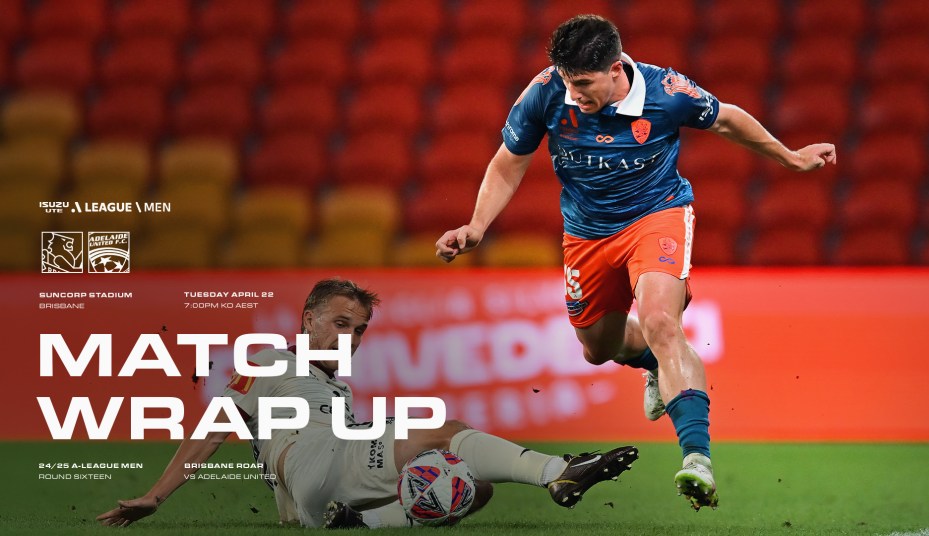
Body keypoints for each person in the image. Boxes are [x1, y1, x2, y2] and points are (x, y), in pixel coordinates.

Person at [436, 15, 836, 511]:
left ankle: (697, 459)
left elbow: (727, 118)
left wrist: (791, 158)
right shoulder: (545, 92)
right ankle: (651, 363)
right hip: (586, 233)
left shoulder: (667, 92)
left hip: (656, 215)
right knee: (597, 349)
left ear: (615, 70)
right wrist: (476, 226)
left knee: (660, 320)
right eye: (567, 81)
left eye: (583, 84)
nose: (573, 93)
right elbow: (507, 163)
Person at [96, 278, 638, 529]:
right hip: (316, 460)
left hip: (314, 499)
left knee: (472, 490)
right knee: (444, 429)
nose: (350, 338)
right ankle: (556, 471)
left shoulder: (335, 391)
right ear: (307, 320)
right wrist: (155, 496)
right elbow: (213, 427)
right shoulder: (268, 362)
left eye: (358, 330)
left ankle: (361, 523)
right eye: (339, 323)